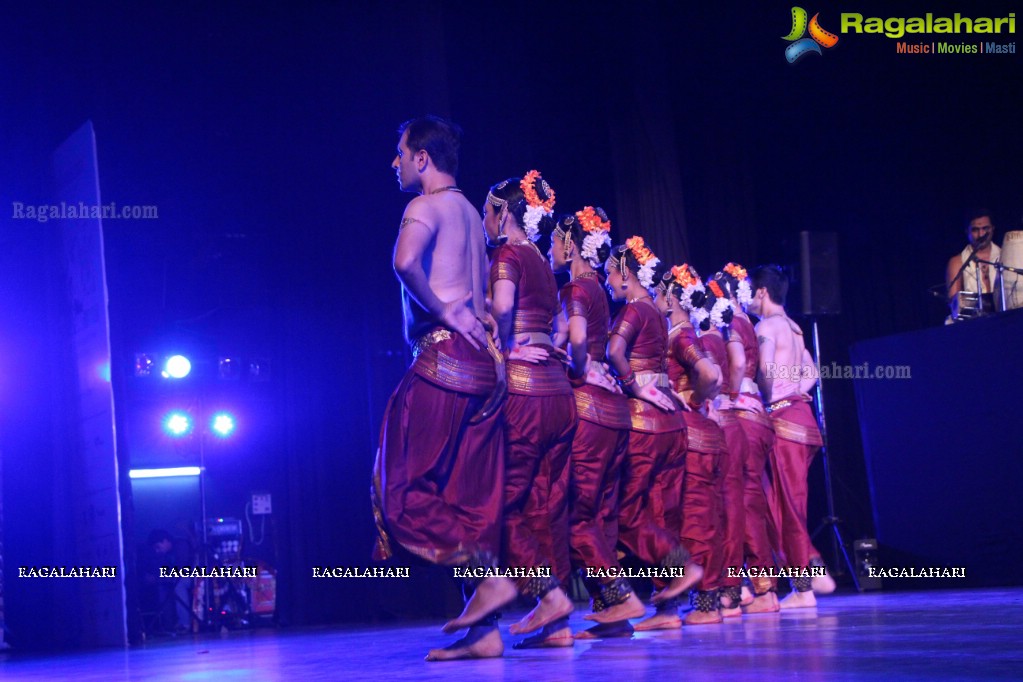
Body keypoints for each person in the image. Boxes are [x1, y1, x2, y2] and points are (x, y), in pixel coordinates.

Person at [372, 116, 515, 661]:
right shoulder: (472, 216)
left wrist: (441, 309)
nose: (396, 162)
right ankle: (485, 633)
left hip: (444, 358)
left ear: (423, 159)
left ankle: (489, 579)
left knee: (401, 491)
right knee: (462, 498)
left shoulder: (424, 206)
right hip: (484, 368)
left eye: (400, 152)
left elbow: (403, 262)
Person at [485, 171, 577, 648]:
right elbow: (561, 326)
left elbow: (502, 309)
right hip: (559, 390)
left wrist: (504, 344)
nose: (484, 219)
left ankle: (547, 595)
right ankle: (558, 628)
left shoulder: (506, 255)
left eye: (488, 210)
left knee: (504, 501)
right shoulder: (543, 260)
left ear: (504, 213)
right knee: (551, 507)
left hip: (525, 391)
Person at [547, 208, 645, 639]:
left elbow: (577, 340)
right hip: (616, 412)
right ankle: (613, 617)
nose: (551, 249)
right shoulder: (602, 292)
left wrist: (575, 364)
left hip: (589, 410)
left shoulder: (575, 288)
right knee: (602, 515)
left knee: (576, 516)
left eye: (554, 241)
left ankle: (619, 595)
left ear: (570, 246)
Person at [605, 237, 703, 628]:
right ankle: (668, 609)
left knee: (626, 515)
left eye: (612, 274)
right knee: (661, 514)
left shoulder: (634, 311)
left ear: (626, 275)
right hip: (671, 423)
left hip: (644, 422)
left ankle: (681, 570)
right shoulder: (660, 317)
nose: (609, 282)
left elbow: (614, 352)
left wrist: (629, 384)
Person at [748, 265, 827, 608]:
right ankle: (806, 576)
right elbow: (811, 371)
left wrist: (770, 397)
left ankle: (805, 588)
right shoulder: (794, 328)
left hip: (784, 420)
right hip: (801, 419)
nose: (749, 298)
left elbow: (765, 370)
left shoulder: (766, 326)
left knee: (789, 506)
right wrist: (795, 390)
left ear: (762, 292)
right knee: (782, 502)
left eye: (751, 291)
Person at [655, 263, 729, 626]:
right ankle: (706, 602)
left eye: (657, 294)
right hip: (706, 437)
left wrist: (693, 398)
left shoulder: (680, 336)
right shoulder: (693, 336)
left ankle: (701, 604)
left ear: (670, 298)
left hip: (693, 436)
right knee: (705, 520)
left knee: (693, 522)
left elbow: (711, 375)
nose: (654, 299)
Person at [711, 264, 779, 614]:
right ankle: (756, 588)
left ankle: (756, 589)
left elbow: (736, 366)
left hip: (742, 413)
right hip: (758, 413)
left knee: (741, 503)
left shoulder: (730, 323)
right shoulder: (748, 323)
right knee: (750, 501)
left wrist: (728, 395)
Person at [946, 209, 1001, 319]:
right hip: (973, 322)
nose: (981, 234)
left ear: (993, 229)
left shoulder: (1004, 255)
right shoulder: (957, 262)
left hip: (1004, 319)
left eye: (985, 228)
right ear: (967, 231)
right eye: (975, 230)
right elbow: (954, 303)